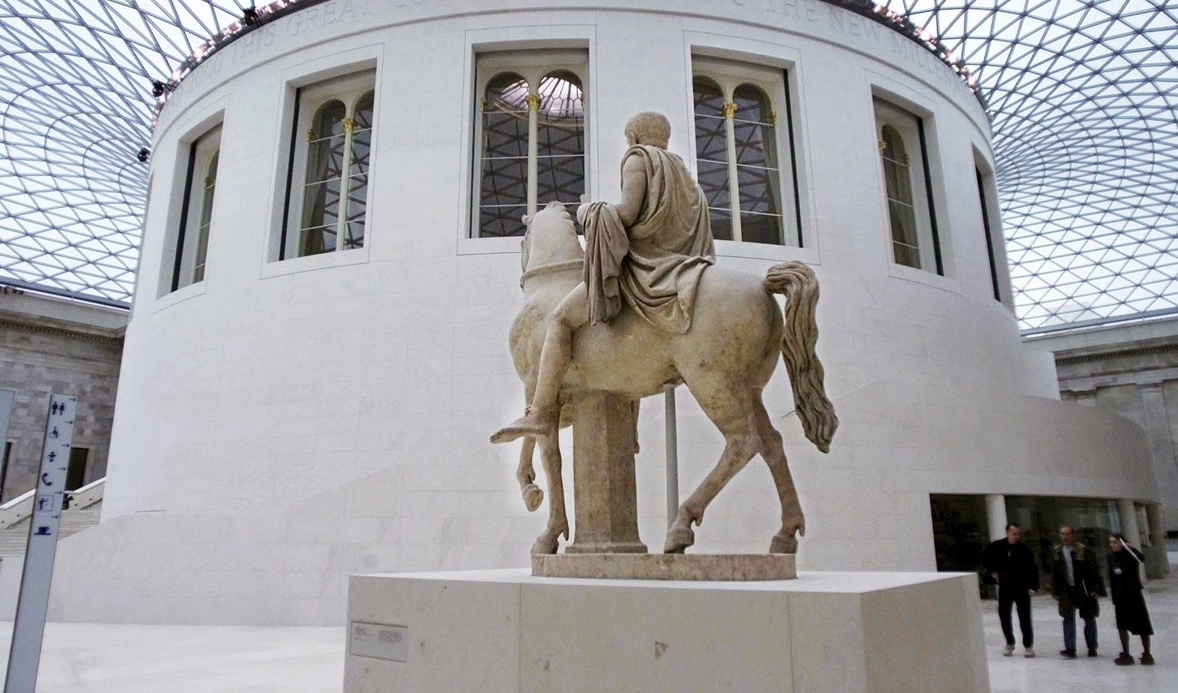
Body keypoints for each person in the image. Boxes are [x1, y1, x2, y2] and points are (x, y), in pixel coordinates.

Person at [491, 112, 715, 443]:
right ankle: (631, 429)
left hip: (645, 272)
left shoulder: (639, 159)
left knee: (561, 320)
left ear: (636, 138)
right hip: (683, 271)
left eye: (628, 139)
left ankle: (539, 412)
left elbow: (625, 214)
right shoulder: (685, 174)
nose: (628, 144)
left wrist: (591, 212)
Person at [982, 523, 1039, 657]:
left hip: (1022, 587)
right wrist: (992, 572)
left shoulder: (1024, 549)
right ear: (1007, 533)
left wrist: (1033, 586)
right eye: (1014, 534)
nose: (1016, 537)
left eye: (1018, 534)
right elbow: (985, 558)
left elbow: (1032, 568)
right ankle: (1009, 642)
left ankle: (1028, 645)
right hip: (1005, 587)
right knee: (1004, 615)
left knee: (1025, 617)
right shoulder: (996, 547)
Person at [1050, 525, 1105, 658]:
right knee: (1067, 617)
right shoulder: (1057, 551)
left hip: (1083, 588)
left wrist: (1096, 588)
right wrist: (1055, 590)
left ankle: (1092, 646)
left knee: (1088, 617)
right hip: (1066, 589)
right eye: (1062, 534)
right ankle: (1070, 647)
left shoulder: (1083, 550)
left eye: (1067, 534)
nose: (1065, 537)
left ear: (1073, 535)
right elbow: (1055, 573)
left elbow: (1093, 570)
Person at [1107, 533, 1154, 665]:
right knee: (1122, 625)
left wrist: (1132, 549)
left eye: (1115, 542)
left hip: (1134, 594)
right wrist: (1114, 597)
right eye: (1111, 543)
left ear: (1122, 543)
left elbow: (1141, 559)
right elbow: (1112, 577)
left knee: (1142, 624)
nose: (1112, 545)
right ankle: (1126, 653)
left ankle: (1147, 653)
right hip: (1120, 596)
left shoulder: (1130, 555)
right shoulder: (1111, 558)